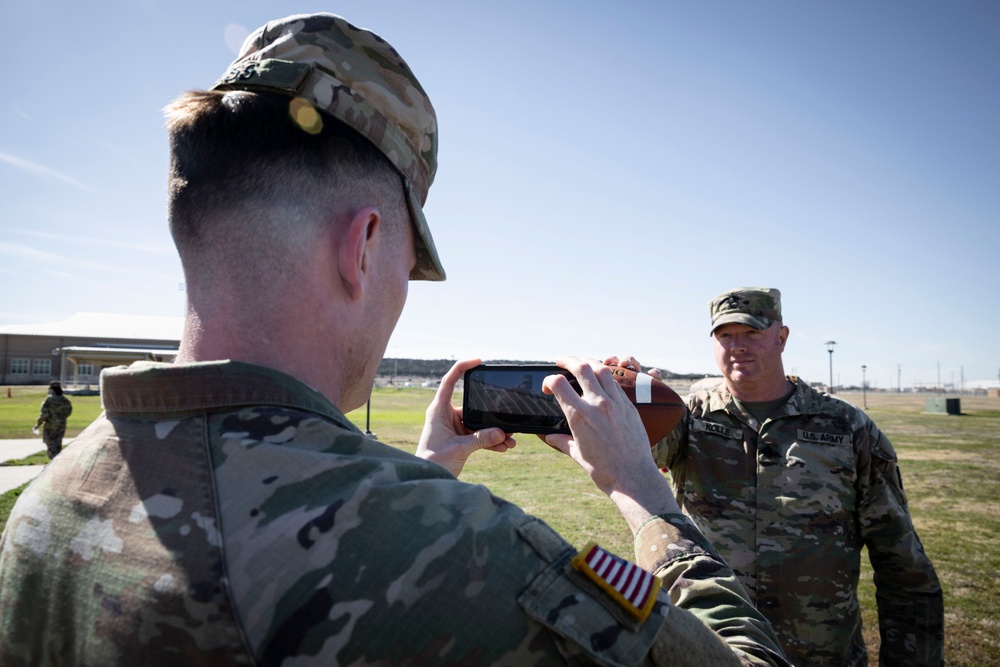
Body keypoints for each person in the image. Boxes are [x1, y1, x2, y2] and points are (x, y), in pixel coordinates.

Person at [0, 15, 787, 666]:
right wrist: (644, 497)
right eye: (408, 265)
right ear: (365, 246)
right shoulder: (467, 555)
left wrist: (420, 470)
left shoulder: (43, 512)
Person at [609, 287, 944, 666]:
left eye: (752, 332)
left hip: (821, 655)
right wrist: (629, 397)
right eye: (725, 335)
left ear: (781, 337)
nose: (738, 345)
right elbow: (631, 447)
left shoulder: (848, 429)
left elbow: (903, 566)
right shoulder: (688, 419)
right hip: (713, 650)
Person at [32, 380, 72, 458]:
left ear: (52, 389)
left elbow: (44, 414)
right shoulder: (65, 400)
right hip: (61, 424)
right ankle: (58, 459)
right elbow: (68, 412)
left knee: (50, 443)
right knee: (58, 443)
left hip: (50, 425)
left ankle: (53, 460)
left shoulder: (49, 400)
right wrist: (60, 418)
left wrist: (38, 424)